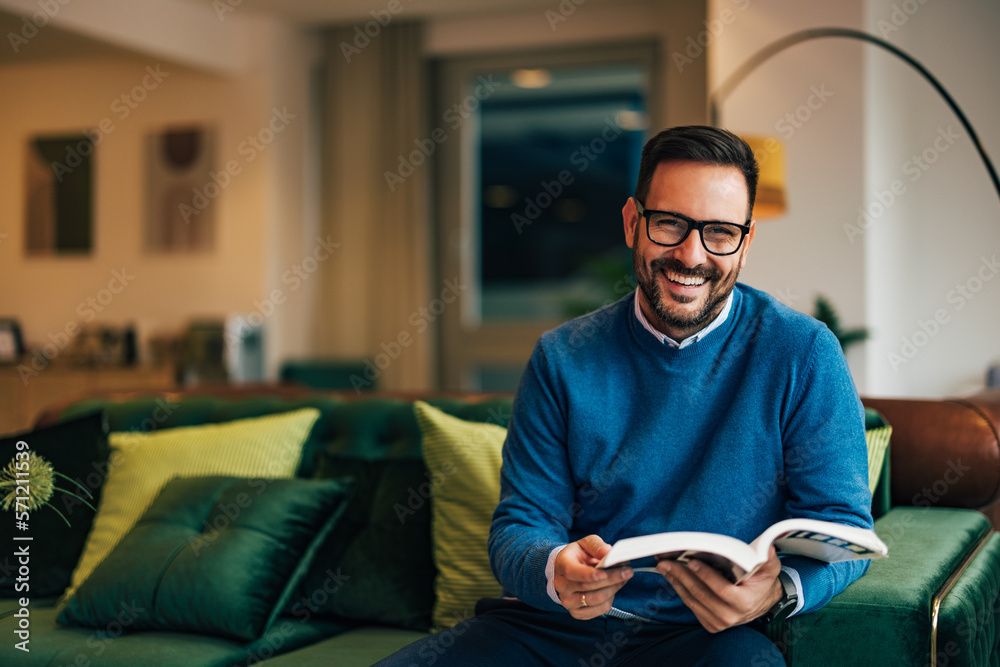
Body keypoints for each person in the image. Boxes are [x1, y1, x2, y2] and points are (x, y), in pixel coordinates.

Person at [377, 126, 872, 666]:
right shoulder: (561, 356)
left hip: (704, 638)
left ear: (745, 243)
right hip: (557, 630)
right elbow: (520, 526)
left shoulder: (803, 352)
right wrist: (556, 566)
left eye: (720, 233)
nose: (692, 254)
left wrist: (777, 592)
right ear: (634, 223)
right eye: (669, 224)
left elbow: (844, 528)